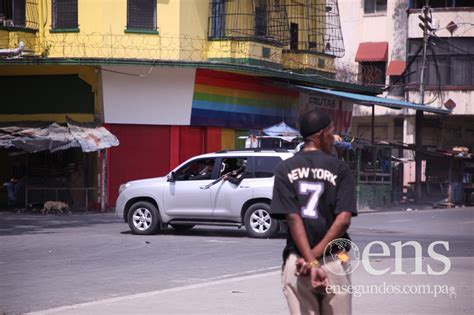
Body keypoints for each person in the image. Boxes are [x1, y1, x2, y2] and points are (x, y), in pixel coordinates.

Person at [270, 110, 357, 315]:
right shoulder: (340, 169)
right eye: (332, 132)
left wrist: (309, 260)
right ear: (321, 134)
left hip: (299, 263)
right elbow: (343, 220)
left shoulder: (285, 169)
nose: (334, 139)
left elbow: (292, 217)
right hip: (334, 260)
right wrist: (315, 258)